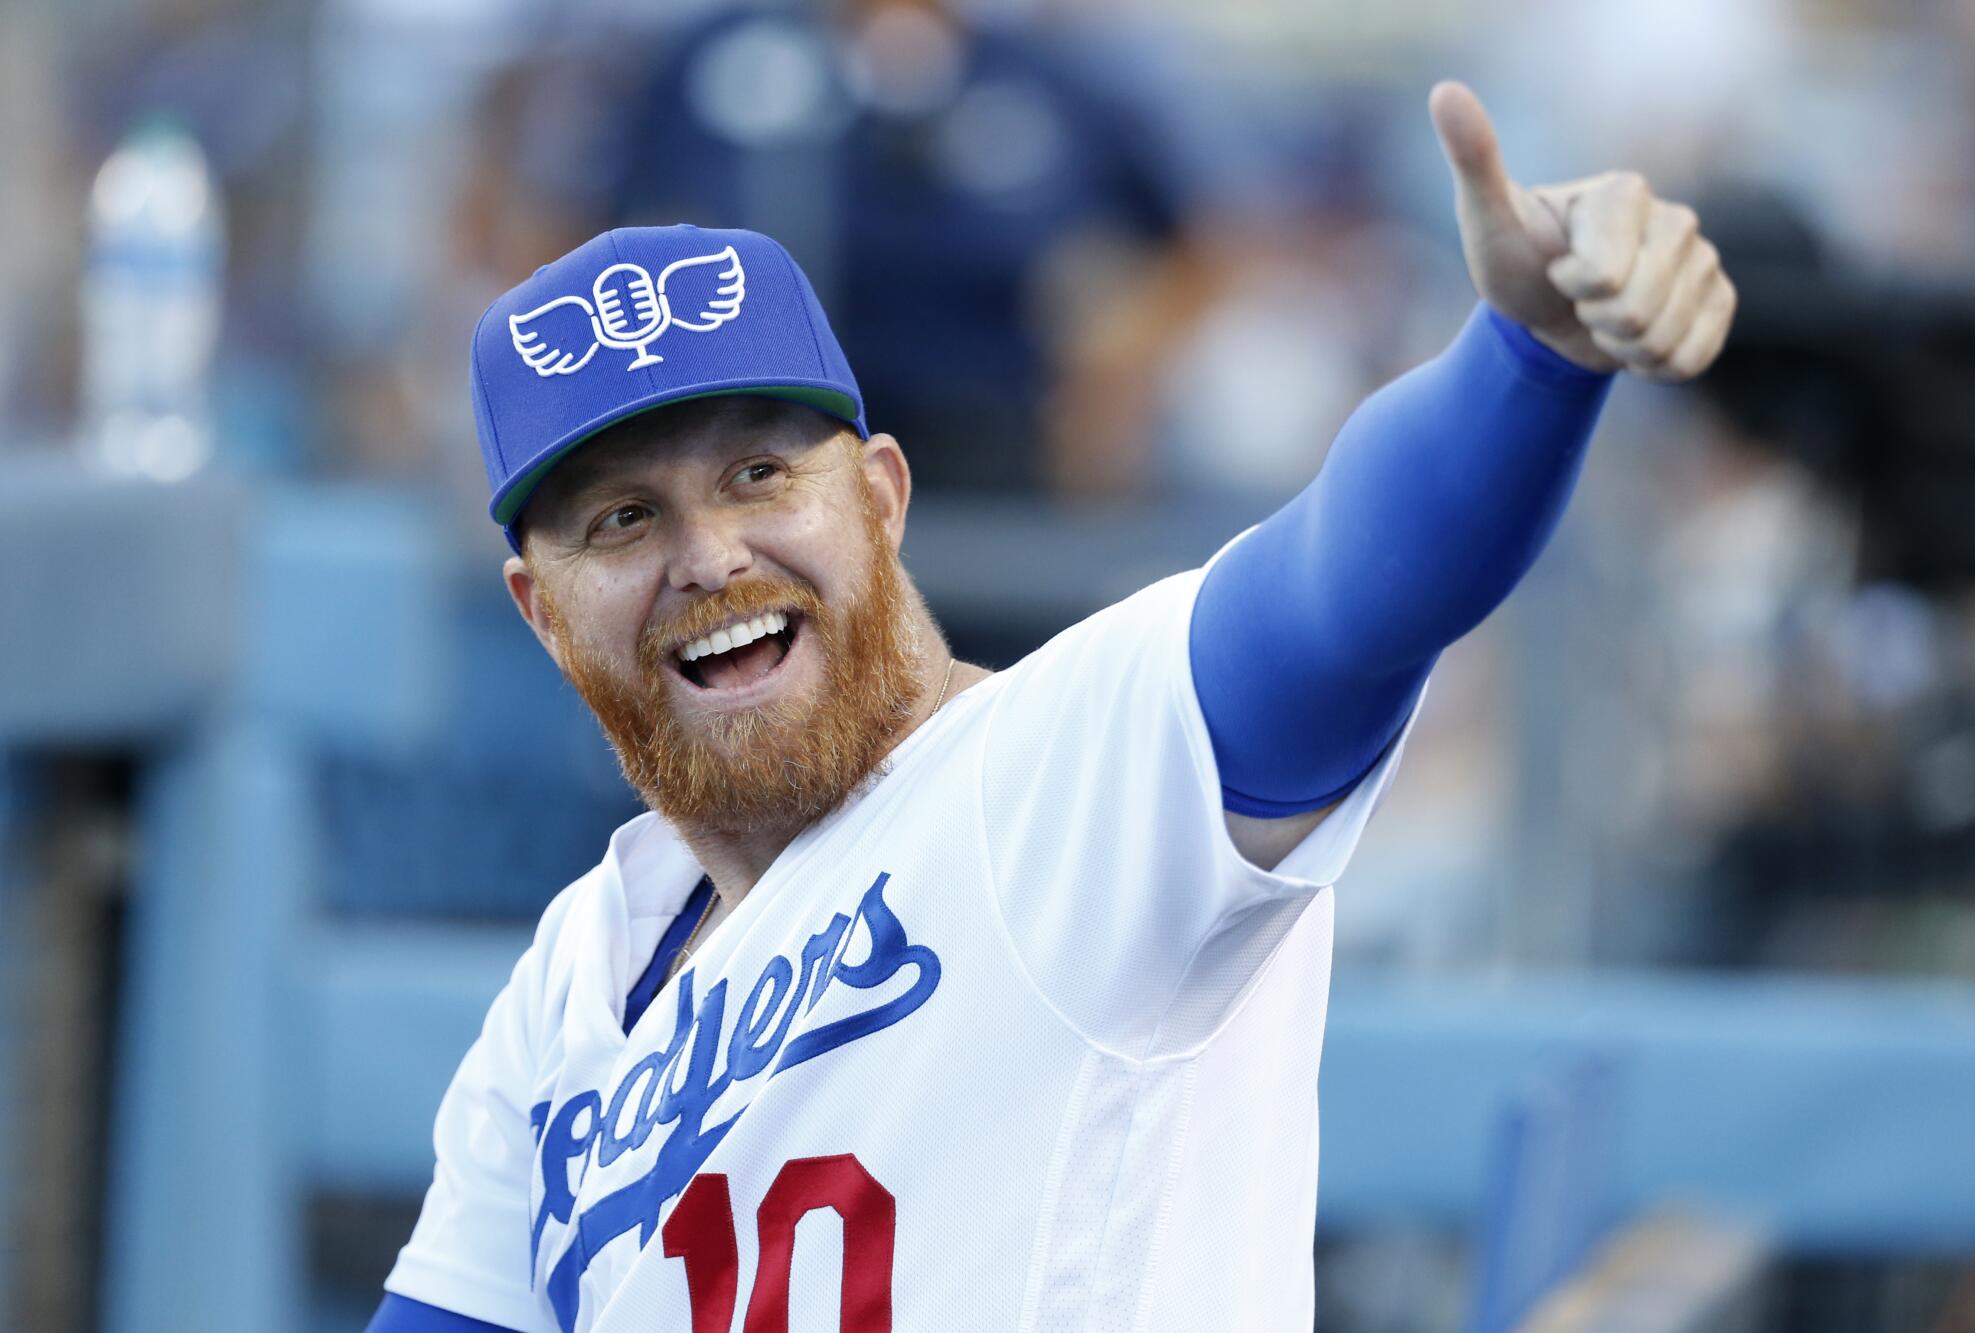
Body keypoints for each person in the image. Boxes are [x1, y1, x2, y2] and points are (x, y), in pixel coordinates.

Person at [366, 82, 1735, 1332]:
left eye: (758, 477)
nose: (710, 556)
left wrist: (1528, 365)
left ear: (883, 497)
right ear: (539, 612)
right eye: (622, 518)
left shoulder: (1066, 770)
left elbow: (1345, 587)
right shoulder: (580, 967)